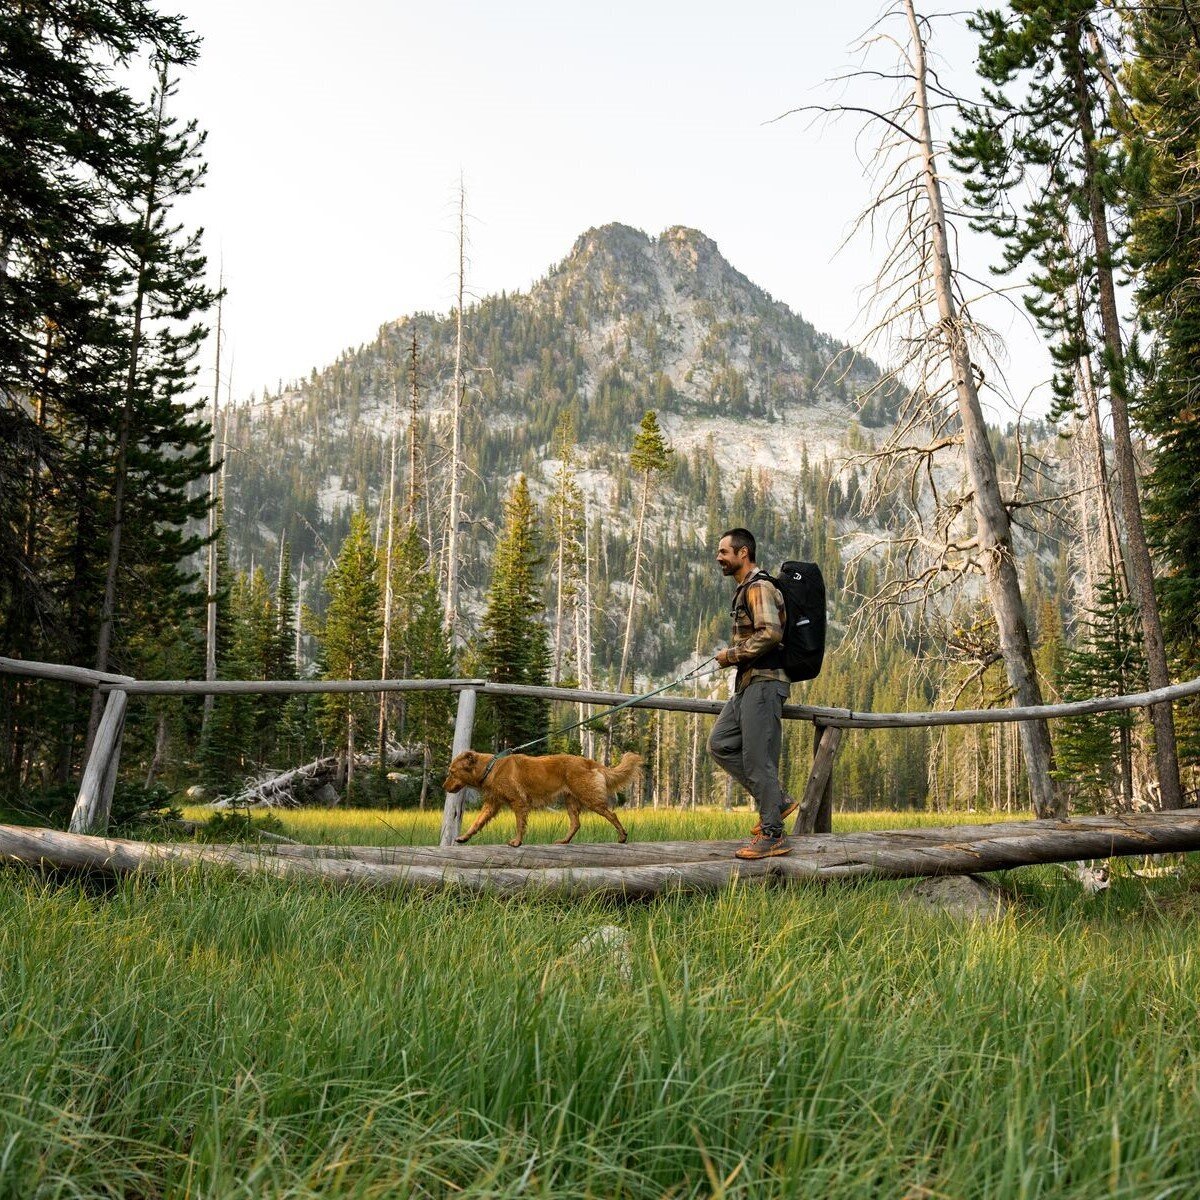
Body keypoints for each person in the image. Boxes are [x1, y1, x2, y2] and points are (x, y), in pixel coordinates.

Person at [708, 528, 796, 859]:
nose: (719, 557)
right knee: (719, 743)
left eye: (724, 552)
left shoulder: (758, 587)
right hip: (748, 683)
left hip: (765, 681)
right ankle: (779, 801)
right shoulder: (746, 588)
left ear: (743, 553)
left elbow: (771, 633)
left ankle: (774, 836)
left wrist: (729, 655)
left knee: (758, 760)